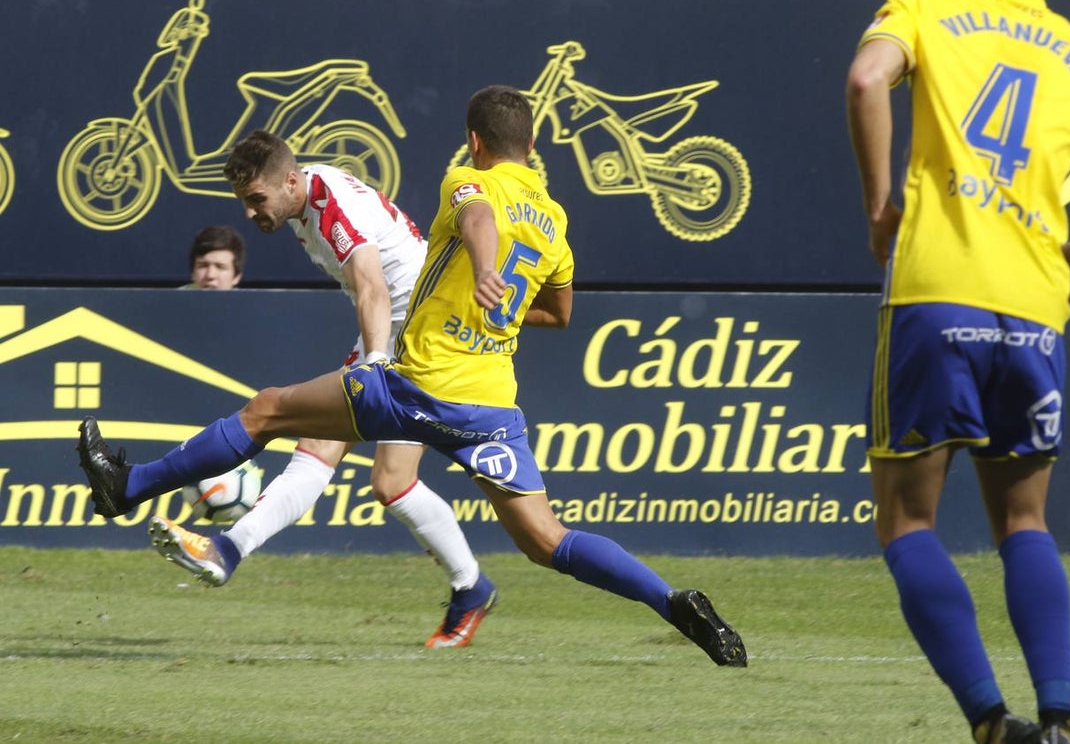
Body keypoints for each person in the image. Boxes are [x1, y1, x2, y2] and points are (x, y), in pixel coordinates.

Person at [77, 85, 747, 668]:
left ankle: (135, 492)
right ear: (535, 143)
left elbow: (445, 237)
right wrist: (500, 302)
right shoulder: (555, 219)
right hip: (489, 402)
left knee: (268, 413)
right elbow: (560, 312)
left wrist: (467, 282)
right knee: (546, 539)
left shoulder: (466, 180)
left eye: (255, 200)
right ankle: (672, 601)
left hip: (411, 372)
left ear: (474, 140)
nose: (252, 213)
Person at [846, 0, 1070, 741]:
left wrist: (881, 205)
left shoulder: (925, 7)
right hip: (1033, 309)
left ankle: (989, 721)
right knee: (1025, 521)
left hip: (934, 295)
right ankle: (1058, 719)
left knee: (908, 523)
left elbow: (866, 80)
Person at [154, 131, 498, 649]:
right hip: (404, 325)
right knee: (380, 477)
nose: (250, 213)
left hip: (416, 333)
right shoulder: (307, 197)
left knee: (373, 473)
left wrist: (376, 364)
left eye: (256, 200)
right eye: (245, 202)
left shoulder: (328, 203)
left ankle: (471, 589)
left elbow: (373, 286)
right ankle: (471, 589)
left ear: (289, 182)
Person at [183, 225, 246, 290]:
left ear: (236, 277)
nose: (210, 275)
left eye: (220, 267)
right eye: (203, 266)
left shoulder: (249, 300)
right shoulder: (173, 299)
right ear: (193, 273)